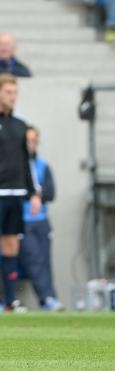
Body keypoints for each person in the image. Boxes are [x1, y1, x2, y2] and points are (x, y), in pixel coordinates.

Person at [0, 74, 40, 312]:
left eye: (15, 93)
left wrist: (33, 193)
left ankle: (10, 300)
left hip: (15, 193)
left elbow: (28, 162)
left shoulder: (21, 125)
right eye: (7, 92)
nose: (12, 97)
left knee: (11, 245)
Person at [18, 126, 63, 311]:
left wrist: (39, 197)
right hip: (22, 220)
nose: (31, 144)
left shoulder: (43, 165)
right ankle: (46, 298)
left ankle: (51, 298)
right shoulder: (14, 165)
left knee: (44, 261)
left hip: (41, 220)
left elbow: (50, 192)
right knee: (34, 260)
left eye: (34, 140)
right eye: (28, 140)